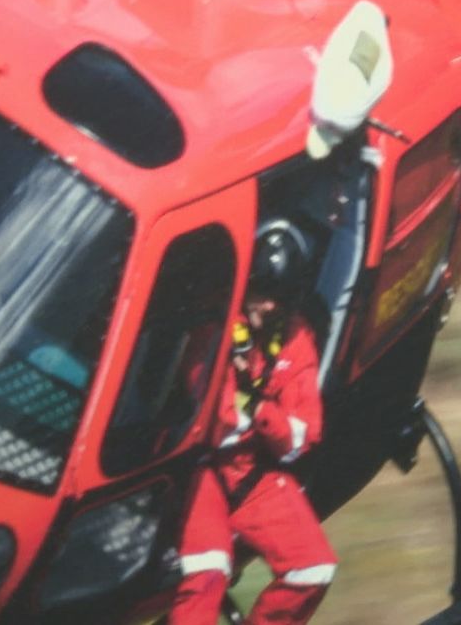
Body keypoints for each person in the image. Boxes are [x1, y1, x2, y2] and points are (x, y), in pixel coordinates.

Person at [171, 227, 337, 625]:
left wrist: (260, 412)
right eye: (260, 293)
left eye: (276, 299)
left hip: (252, 472)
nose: (265, 307)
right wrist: (267, 418)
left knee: (313, 569)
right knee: (208, 570)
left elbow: (302, 438)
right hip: (202, 470)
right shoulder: (211, 324)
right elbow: (214, 420)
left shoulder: (296, 337)